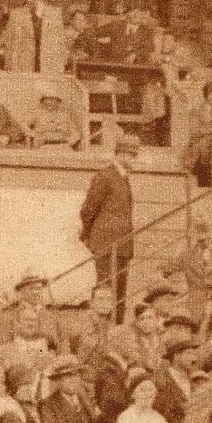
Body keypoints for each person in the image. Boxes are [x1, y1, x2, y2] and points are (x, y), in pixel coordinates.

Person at [80, 132, 138, 322]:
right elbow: (88, 209)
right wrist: (89, 234)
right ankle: (102, 329)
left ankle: (117, 329)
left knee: (120, 291)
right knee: (105, 290)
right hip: (106, 243)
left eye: (134, 154)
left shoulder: (124, 177)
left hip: (122, 244)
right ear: (118, 154)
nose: (132, 158)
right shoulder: (105, 175)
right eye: (129, 154)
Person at [1, 0, 68, 76]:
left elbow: (60, 44)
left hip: (48, 67)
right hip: (23, 67)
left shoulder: (55, 14)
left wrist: (59, 68)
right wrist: (11, 68)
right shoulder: (16, 14)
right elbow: (10, 44)